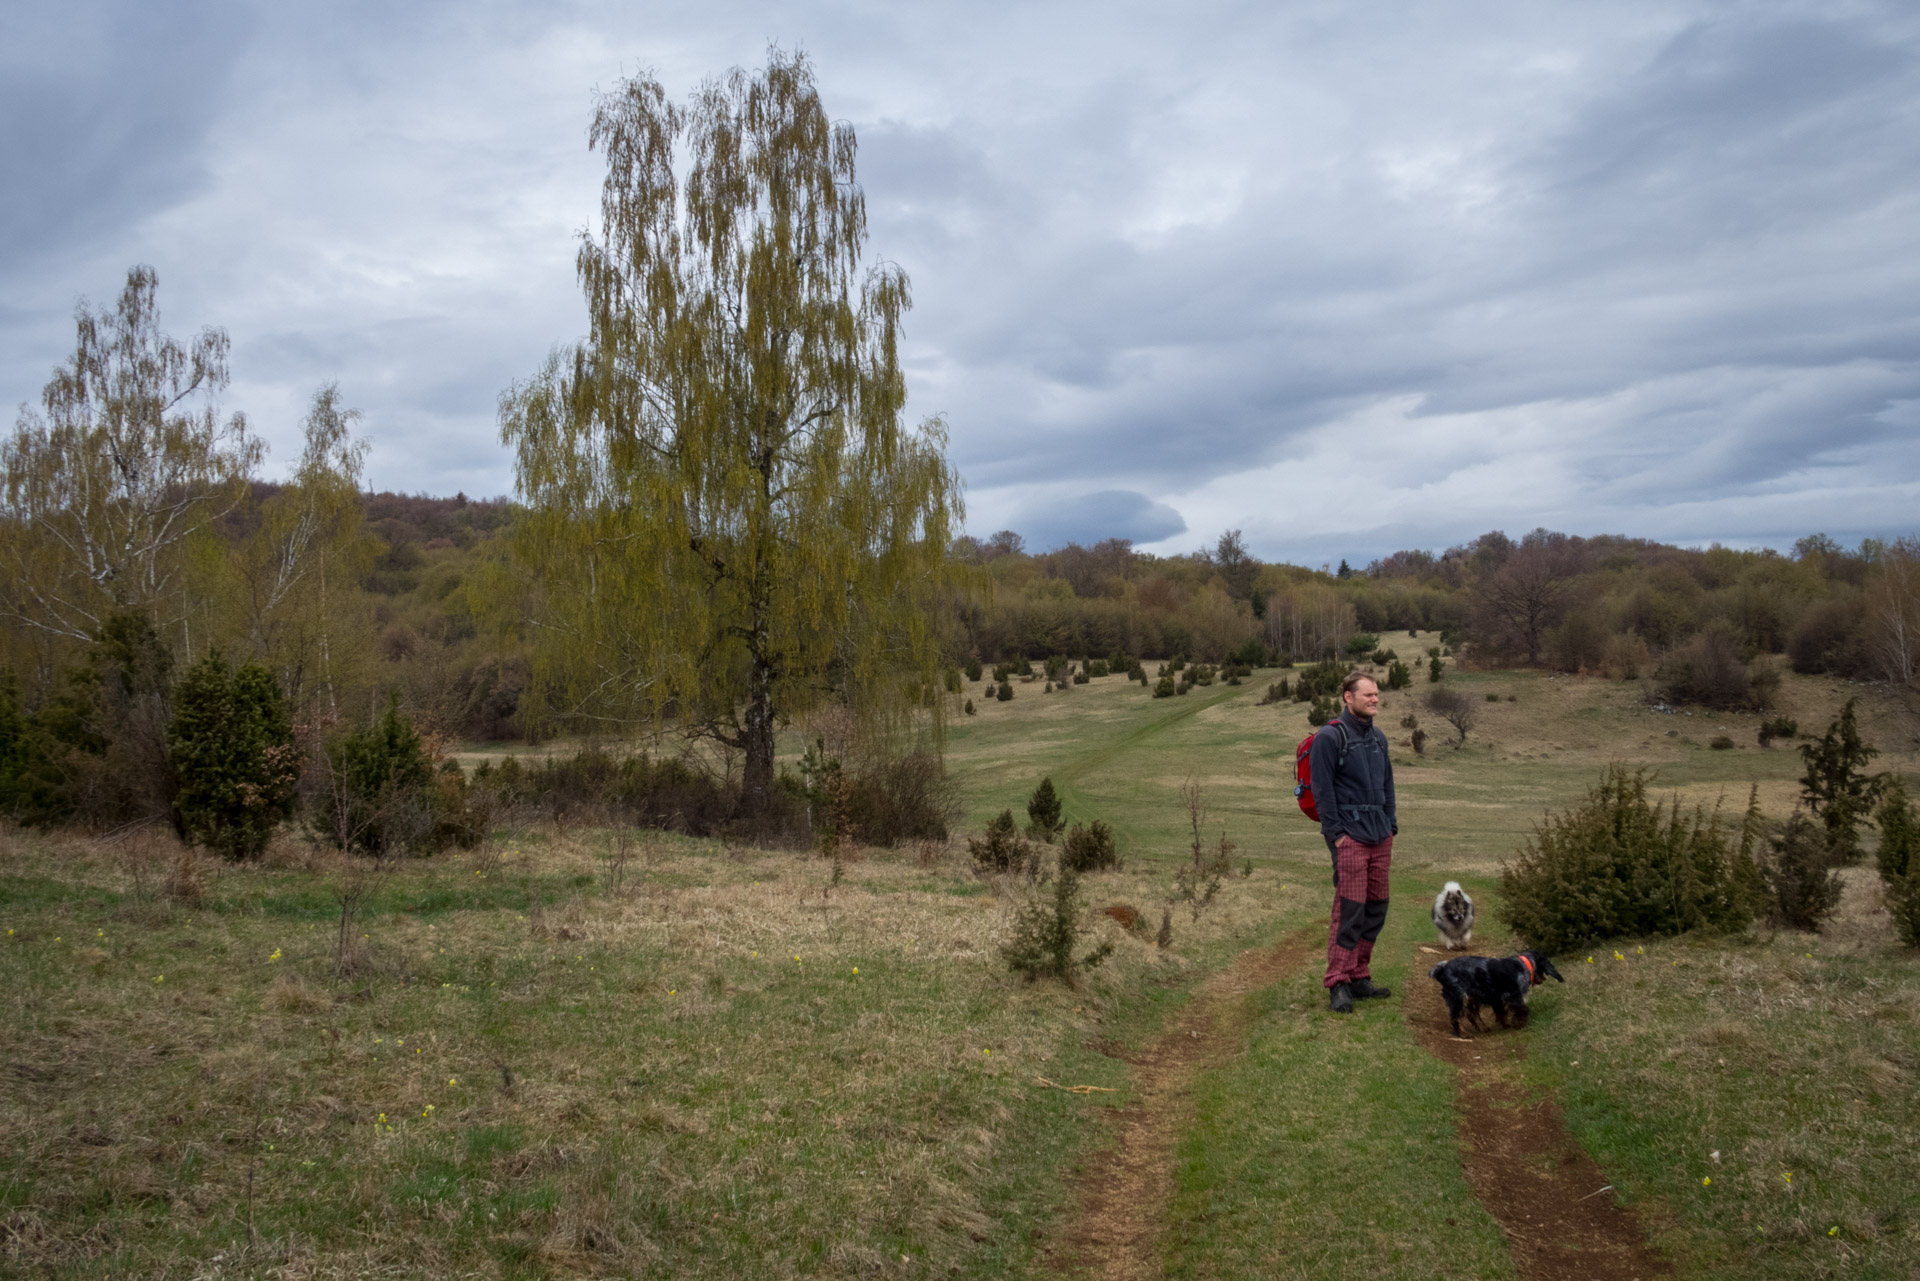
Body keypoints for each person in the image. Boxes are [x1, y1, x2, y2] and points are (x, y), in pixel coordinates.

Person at [1310, 670, 1397, 1014]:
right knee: (1349, 911)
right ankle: (1338, 982)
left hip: (1380, 836)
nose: (1375, 699)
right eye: (1368, 695)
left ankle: (1360, 975)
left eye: (1377, 695)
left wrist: (1391, 825)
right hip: (1350, 838)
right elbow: (1322, 792)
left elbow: (1388, 785)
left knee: (1376, 909)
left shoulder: (1379, 739)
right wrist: (1337, 836)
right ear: (1349, 697)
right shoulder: (1330, 738)